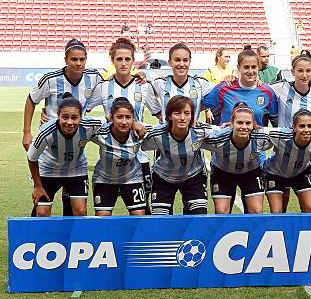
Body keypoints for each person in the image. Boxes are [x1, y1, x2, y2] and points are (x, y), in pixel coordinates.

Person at [22, 39, 103, 216]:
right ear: (65, 59)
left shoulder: (94, 77)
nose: (78, 63)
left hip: (75, 145)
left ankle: (69, 242)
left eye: (82, 59)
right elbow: (31, 99)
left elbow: (114, 83)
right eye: (74, 59)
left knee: (75, 209)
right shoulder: (51, 80)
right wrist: (26, 132)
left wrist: (137, 75)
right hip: (51, 142)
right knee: (42, 209)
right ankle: (36, 237)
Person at [88, 37, 163, 214]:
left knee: (143, 212)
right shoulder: (104, 87)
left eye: (127, 59)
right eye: (119, 59)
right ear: (112, 60)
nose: (123, 63)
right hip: (110, 155)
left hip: (140, 157)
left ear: (133, 60)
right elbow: (83, 111)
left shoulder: (143, 86)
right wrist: (106, 119)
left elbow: (160, 115)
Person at [27, 93, 103, 217]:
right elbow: (31, 158)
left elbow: (111, 120)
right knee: (42, 213)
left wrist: (134, 124)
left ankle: (74, 237)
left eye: (74, 117)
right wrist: (37, 186)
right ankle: (39, 236)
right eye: (65, 117)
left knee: (81, 212)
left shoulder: (91, 124)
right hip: (48, 169)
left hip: (76, 169)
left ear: (81, 117)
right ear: (58, 116)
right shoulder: (47, 132)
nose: (69, 122)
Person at [141, 96, 216, 215]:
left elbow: (223, 132)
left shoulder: (201, 131)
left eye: (187, 113)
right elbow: (136, 137)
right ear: (169, 116)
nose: (182, 118)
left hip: (193, 176)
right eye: (177, 113)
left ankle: (188, 207)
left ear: (192, 116)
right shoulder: (157, 133)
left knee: (199, 216)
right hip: (163, 177)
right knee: (160, 220)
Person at [203, 104, 273, 214]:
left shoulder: (263, 137)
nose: (244, 127)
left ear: (253, 124)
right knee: (222, 213)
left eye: (248, 123)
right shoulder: (218, 137)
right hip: (223, 172)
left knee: (256, 212)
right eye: (239, 122)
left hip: (251, 172)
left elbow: (285, 134)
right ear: (231, 124)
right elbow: (197, 134)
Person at [264, 111, 311, 213]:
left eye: (309, 126)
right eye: (302, 126)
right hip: (275, 173)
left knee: (310, 210)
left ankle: (307, 228)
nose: (306, 130)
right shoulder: (281, 135)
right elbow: (261, 131)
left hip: (301, 173)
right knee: (277, 212)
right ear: (294, 127)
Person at [89, 98, 148, 216]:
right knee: (102, 218)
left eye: (128, 117)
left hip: (132, 178)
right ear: (111, 118)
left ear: (133, 119)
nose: (124, 121)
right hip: (104, 179)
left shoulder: (139, 131)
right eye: (119, 117)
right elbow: (80, 125)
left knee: (139, 216)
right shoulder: (101, 134)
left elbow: (162, 129)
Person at [204, 49, 278, 127]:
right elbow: (201, 106)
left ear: (258, 67)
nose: (250, 71)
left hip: (255, 138)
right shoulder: (224, 87)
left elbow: (277, 115)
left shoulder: (267, 91)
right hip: (227, 138)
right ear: (238, 68)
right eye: (246, 67)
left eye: (253, 67)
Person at [152, 43, 214, 122]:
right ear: (170, 62)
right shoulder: (160, 83)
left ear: (189, 62)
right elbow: (146, 93)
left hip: (192, 133)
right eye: (177, 60)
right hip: (166, 133)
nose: (181, 64)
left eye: (185, 60)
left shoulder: (200, 83)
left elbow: (220, 93)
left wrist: (201, 108)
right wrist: (158, 112)